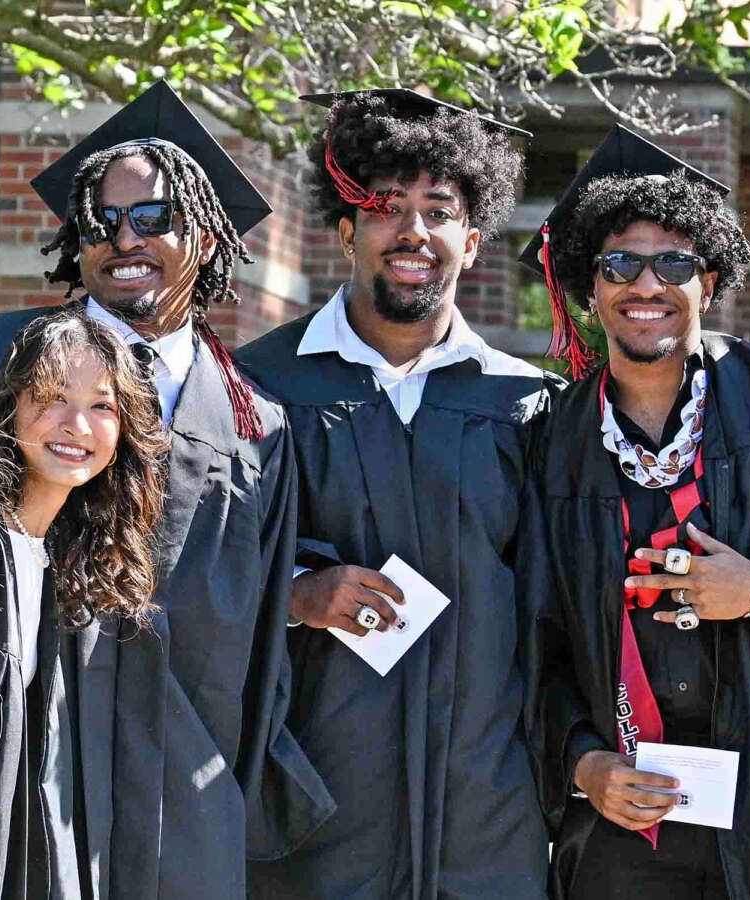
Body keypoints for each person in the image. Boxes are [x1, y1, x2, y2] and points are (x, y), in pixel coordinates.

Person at [0, 82, 324, 899]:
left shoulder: (256, 423)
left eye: (152, 218)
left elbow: (259, 652)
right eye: (99, 223)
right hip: (17, 752)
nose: (122, 239)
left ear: (209, 239)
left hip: (187, 778)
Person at [519, 126, 750, 900]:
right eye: (619, 262)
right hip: (621, 821)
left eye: (675, 263)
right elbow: (533, 636)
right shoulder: (552, 443)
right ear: (589, 287)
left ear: (711, 279)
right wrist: (582, 762)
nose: (646, 285)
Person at [232, 88, 556, 900]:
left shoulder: (527, 403)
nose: (413, 230)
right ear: (345, 231)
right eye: (385, 207)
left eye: (438, 210)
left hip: (486, 813)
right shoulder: (257, 388)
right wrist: (298, 595)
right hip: (316, 807)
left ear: (472, 242)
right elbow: (198, 566)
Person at [0, 308, 171, 900]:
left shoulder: (60, 559)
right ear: (11, 406)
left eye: (103, 405)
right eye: (52, 396)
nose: (77, 423)